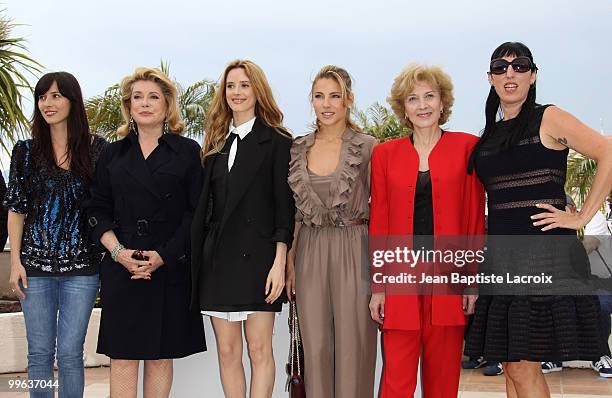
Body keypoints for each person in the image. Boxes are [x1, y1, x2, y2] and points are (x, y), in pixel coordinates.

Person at [465, 42, 612, 398]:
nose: (509, 73)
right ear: (490, 78)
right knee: (513, 367)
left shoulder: (549, 117)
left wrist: (581, 215)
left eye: (520, 66)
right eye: (500, 67)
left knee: (522, 365)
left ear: (533, 75)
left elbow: (607, 150)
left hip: (543, 256)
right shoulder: (490, 135)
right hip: (502, 259)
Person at [86, 67, 205, 398]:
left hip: (167, 268)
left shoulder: (187, 151)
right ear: (128, 105)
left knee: (159, 358)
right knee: (122, 358)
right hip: (121, 266)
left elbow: (196, 214)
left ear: (167, 105)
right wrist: (119, 253)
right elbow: (96, 210)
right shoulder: (112, 153)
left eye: (153, 96)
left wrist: (163, 257)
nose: (145, 103)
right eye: (137, 97)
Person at [369, 63, 485, 397]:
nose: (422, 105)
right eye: (413, 98)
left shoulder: (467, 148)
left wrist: (470, 280)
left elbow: (474, 219)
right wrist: (379, 285)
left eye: (429, 96)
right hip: (400, 280)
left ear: (442, 101)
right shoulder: (384, 154)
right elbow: (379, 223)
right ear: (403, 108)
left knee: (443, 380)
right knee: (396, 381)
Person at [190, 59, 294, 398]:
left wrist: (280, 262)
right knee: (227, 352)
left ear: (257, 90)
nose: (237, 92)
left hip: (260, 261)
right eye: (231, 86)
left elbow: (284, 208)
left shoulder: (278, 141)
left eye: (244, 85)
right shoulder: (215, 144)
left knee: (259, 350)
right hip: (218, 262)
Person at [5, 72, 107, 397]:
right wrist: (15, 263)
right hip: (34, 270)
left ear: (73, 101)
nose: (48, 103)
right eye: (42, 96)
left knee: (69, 355)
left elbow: (107, 206)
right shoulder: (25, 152)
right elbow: (16, 209)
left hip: (83, 270)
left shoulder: (97, 149)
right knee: (38, 355)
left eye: (56, 96)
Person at [285, 65, 378, 397]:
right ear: (311, 100)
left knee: (356, 348)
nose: (326, 104)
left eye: (335, 96)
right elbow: (295, 213)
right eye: (319, 96)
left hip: (356, 249)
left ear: (348, 100)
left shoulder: (368, 147)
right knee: (316, 349)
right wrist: (291, 263)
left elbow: (384, 210)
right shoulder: (297, 148)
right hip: (309, 251)